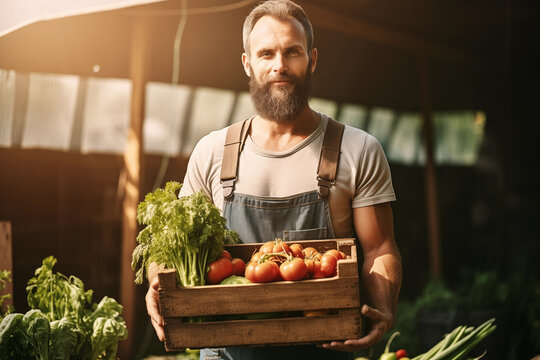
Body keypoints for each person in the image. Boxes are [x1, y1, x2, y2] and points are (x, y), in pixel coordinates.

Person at [146, 0, 402, 359]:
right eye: (266, 53)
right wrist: (158, 281)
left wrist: (384, 312)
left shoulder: (357, 149)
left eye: (292, 52)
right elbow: (172, 247)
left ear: (312, 59)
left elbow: (379, 248)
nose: (279, 66)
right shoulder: (213, 152)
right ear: (247, 63)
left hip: (325, 349)